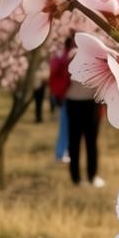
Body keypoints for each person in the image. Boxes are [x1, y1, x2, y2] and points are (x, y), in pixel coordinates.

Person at [64, 38, 104, 187]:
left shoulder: (68, 55)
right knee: (91, 142)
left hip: (73, 102)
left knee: (74, 141)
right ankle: (92, 176)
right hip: (88, 103)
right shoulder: (82, 55)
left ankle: (76, 178)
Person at [49, 34, 73, 163]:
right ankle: (62, 152)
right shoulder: (65, 58)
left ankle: (63, 151)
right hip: (66, 96)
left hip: (62, 95)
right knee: (66, 126)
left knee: (66, 126)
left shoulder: (60, 57)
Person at [32, 54, 49, 123]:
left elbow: (46, 75)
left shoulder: (43, 66)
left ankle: (39, 117)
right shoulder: (36, 68)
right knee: (38, 104)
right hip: (37, 88)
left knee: (39, 104)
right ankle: (38, 117)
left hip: (40, 88)